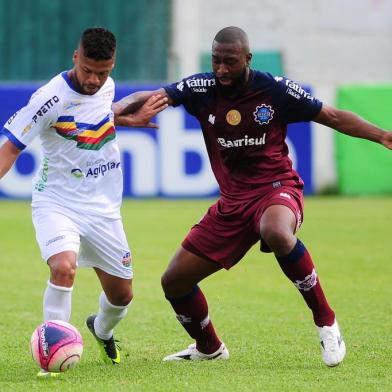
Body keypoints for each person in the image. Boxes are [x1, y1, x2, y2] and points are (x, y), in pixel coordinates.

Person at [114, 26, 392, 367]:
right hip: (232, 203)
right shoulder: (201, 87)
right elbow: (149, 96)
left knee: (276, 231)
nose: (221, 70)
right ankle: (209, 348)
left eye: (230, 62)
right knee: (174, 281)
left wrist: (382, 136)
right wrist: (112, 110)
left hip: (276, 187)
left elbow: (331, 116)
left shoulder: (274, 90)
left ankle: (326, 321)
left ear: (247, 58)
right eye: (216, 61)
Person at [0, 27, 167, 377]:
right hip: (56, 202)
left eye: (102, 72)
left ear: (112, 65)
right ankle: (52, 357)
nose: (93, 80)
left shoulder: (107, 86)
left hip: (103, 209)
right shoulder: (49, 99)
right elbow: (10, 148)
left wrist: (126, 120)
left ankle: (102, 329)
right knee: (63, 266)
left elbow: (95, 118)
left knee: (122, 296)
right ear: (75, 57)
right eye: (87, 70)